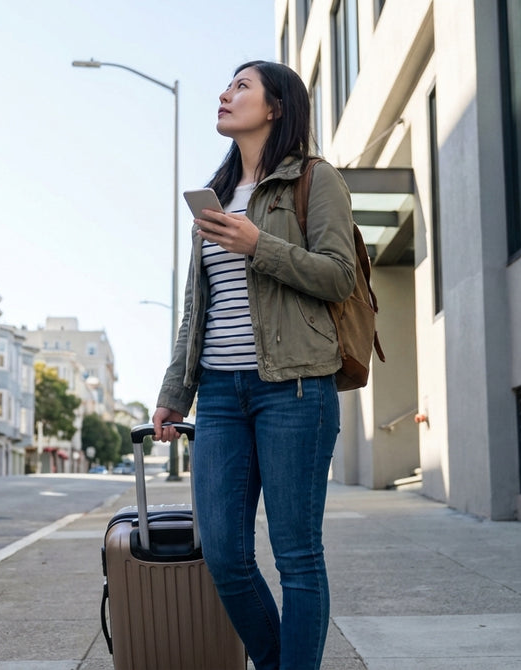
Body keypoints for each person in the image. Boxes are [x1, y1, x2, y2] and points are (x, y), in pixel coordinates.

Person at [152, 60, 357, 670]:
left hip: (293, 389)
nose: (225, 93)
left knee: (296, 554)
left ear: (275, 107)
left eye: (242, 86)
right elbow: (198, 310)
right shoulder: (212, 202)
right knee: (224, 553)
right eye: (226, 84)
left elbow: (339, 276)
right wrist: (175, 391)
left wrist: (257, 245)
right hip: (218, 395)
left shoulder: (315, 181)